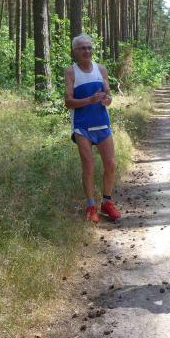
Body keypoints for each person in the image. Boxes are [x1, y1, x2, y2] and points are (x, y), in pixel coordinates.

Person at [64, 34, 122, 223]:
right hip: (82, 126)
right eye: (83, 48)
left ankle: (106, 202)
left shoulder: (101, 69)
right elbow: (68, 102)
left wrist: (107, 100)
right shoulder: (71, 72)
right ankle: (91, 206)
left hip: (102, 123)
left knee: (110, 164)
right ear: (75, 51)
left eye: (89, 47)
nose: (87, 51)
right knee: (88, 166)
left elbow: (109, 97)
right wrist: (89, 100)